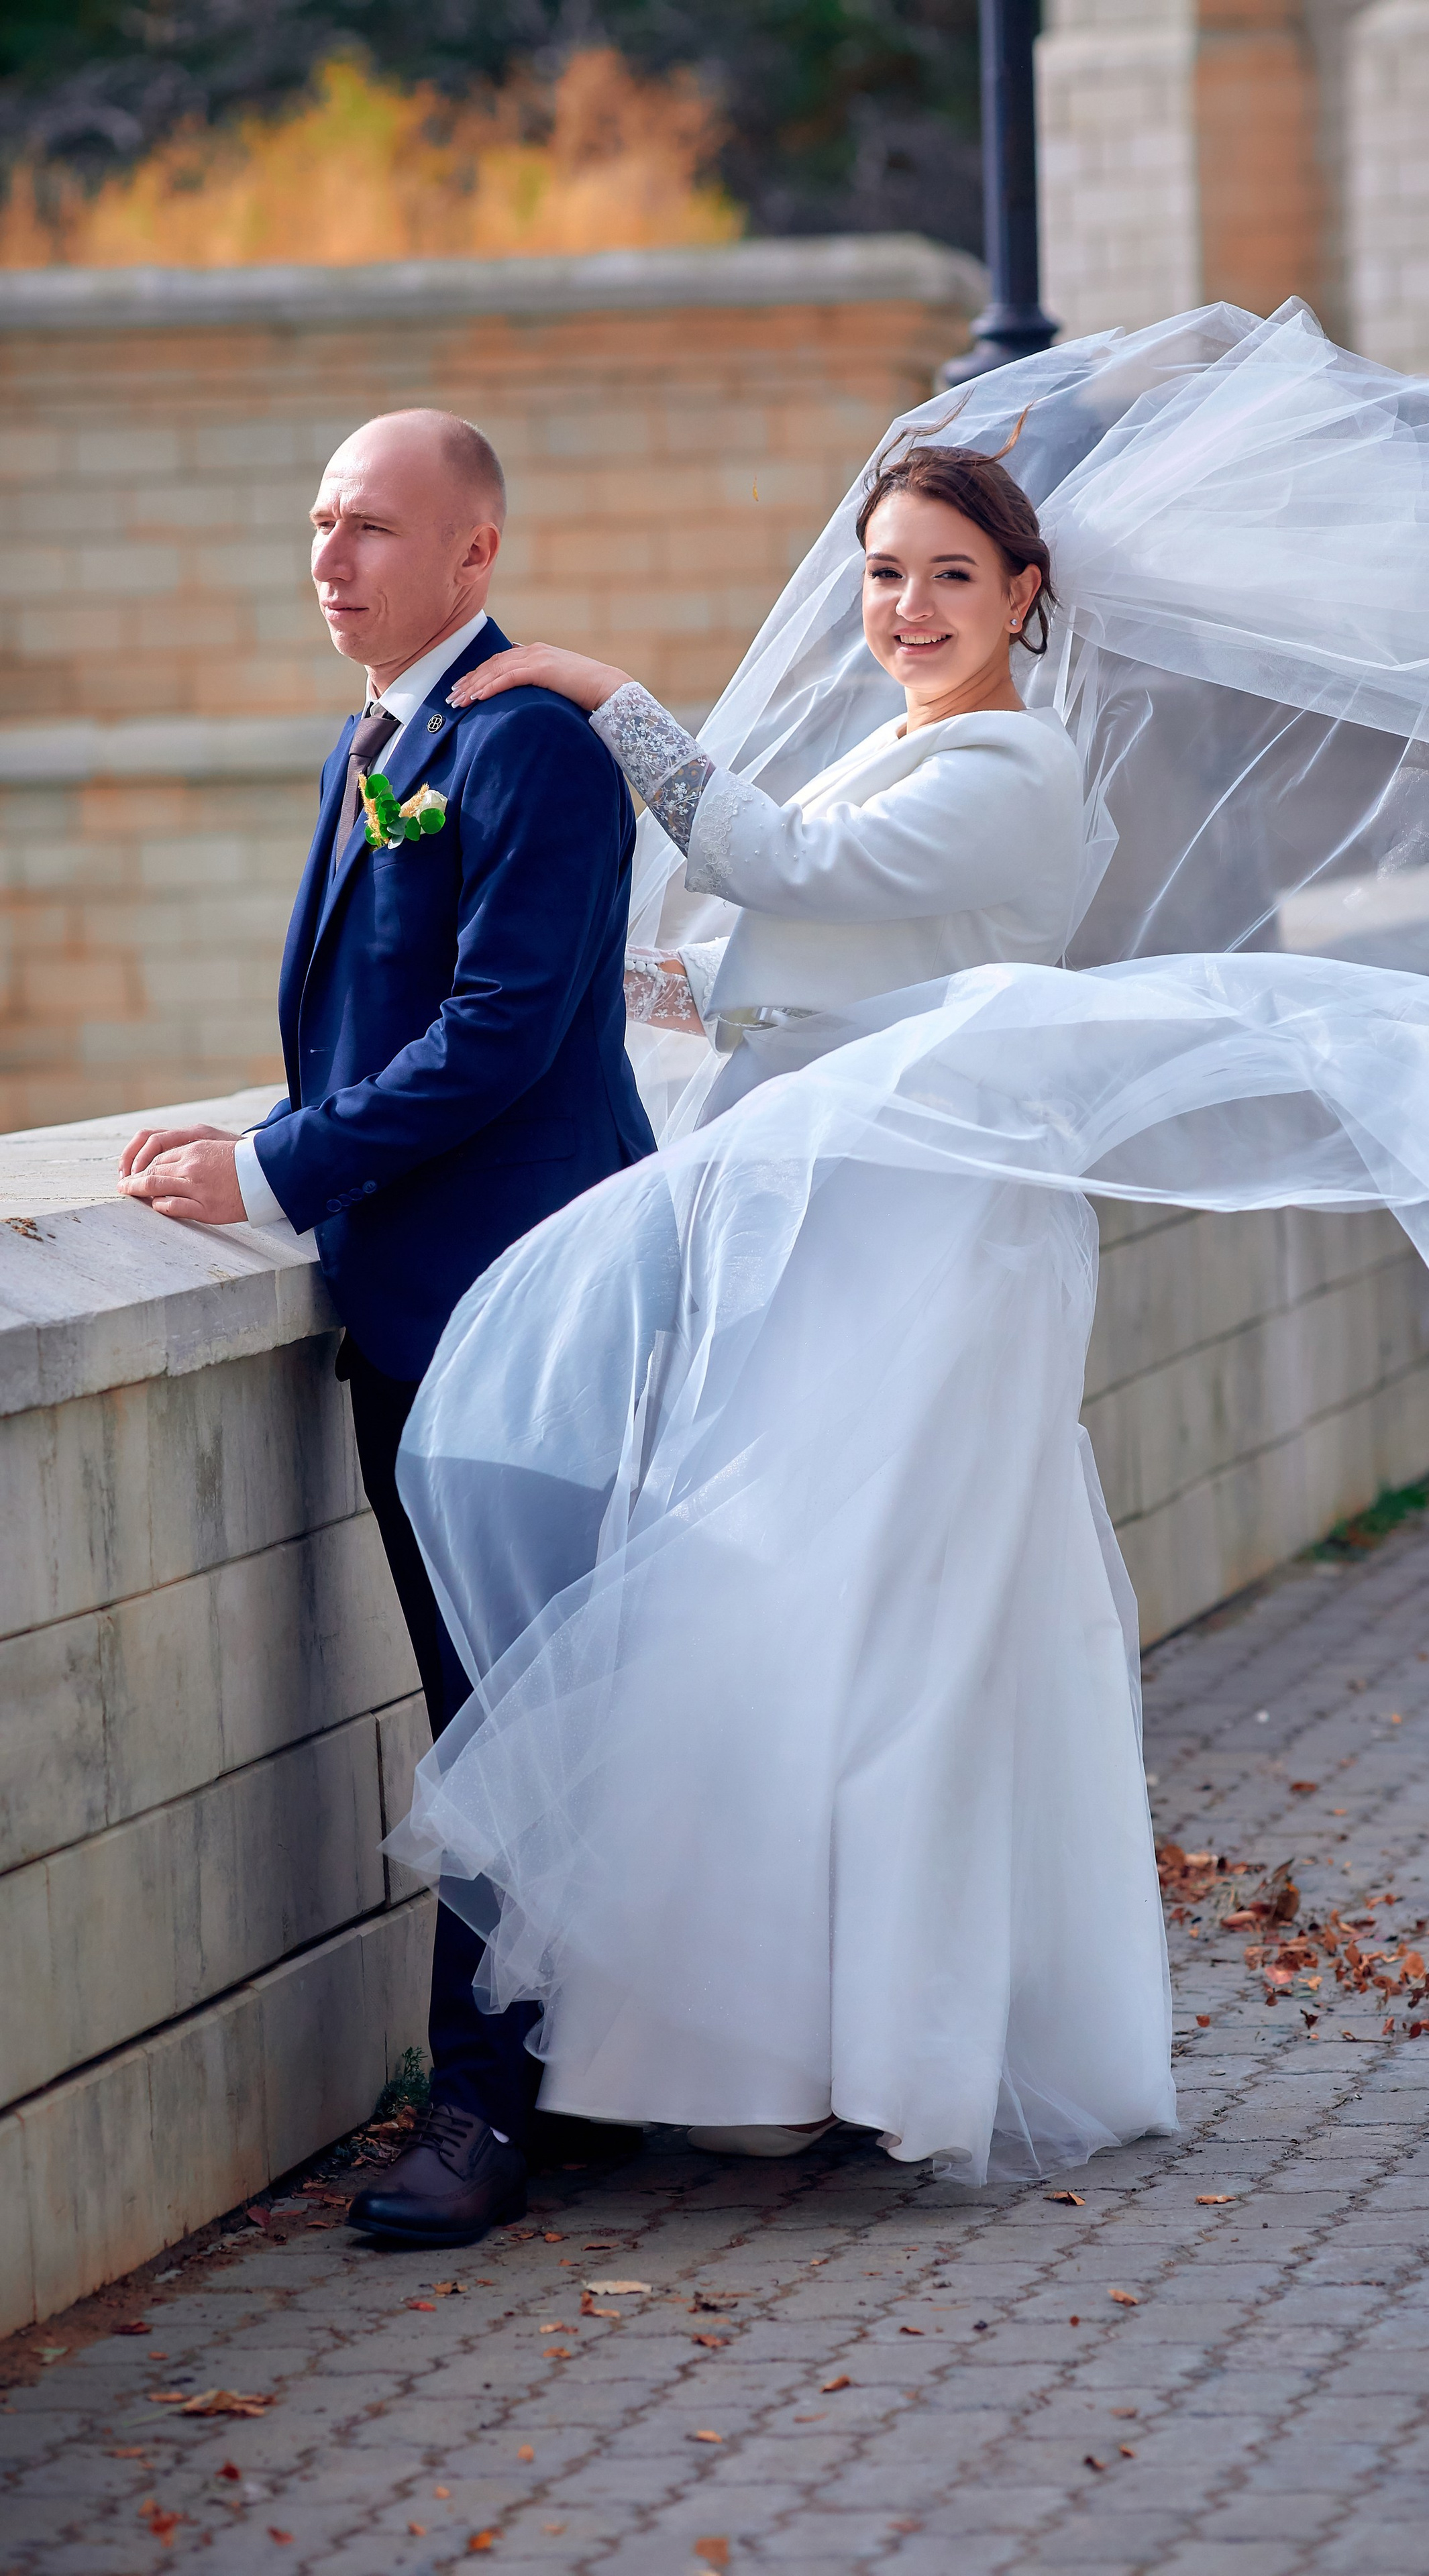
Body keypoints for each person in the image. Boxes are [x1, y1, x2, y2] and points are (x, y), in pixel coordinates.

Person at [382, 305, 1429, 2184]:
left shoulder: (1007, 765)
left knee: (881, 1620)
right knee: (797, 1611)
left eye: (946, 577)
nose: (906, 607)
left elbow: (803, 874)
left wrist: (604, 698)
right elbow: (828, 949)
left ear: (1023, 593)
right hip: (846, 1220)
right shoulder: (916, 746)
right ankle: (760, 2044)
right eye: (881, 574)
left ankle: (872, 2055)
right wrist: (671, 982)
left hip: (932, 1241)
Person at [117, 406, 654, 2245]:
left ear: (476, 555)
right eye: (320, 522)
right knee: (502, 1705)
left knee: (503, 1716)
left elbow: (500, 1038)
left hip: (523, 1306)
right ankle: (573, 2076)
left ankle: (490, 2117)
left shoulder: (532, 753)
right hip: (426, 1303)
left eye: (369, 526)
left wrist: (269, 1167)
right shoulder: (393, 742)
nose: (329, 557)